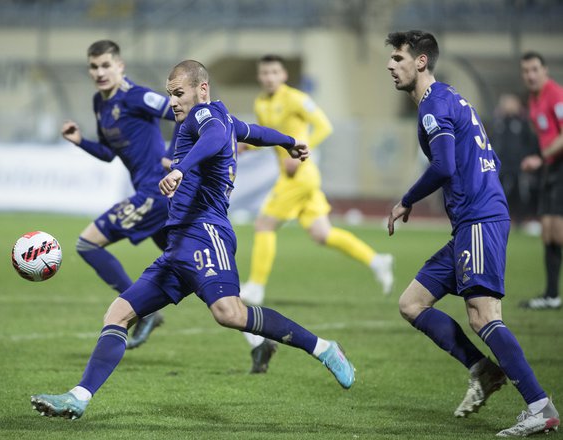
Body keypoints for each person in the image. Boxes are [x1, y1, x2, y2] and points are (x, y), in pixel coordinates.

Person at [31, 60, 356, 420]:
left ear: (202, 89)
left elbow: (216, 136)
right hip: (178, 243)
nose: (173, 101)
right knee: (119, 313)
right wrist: (290, 141)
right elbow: (254, 132)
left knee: (229, 313)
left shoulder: (204, 118)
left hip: (206, 233)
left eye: (179, 93)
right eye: (170, 94)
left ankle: (324, 348)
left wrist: (181, 168)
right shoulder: (225, 118)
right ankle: (79, 396)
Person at [385, 31, 559, 437]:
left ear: (422, 61)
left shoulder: (433, 106)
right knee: (412, 303)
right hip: (473, 221)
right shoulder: (452, 97)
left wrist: (406, 199)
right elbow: (491, 159)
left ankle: (540, 405)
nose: (391, 66)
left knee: (483, 317)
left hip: (478, 221)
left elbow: (444, 166)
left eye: (398, 58)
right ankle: (483, 370)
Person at [238, 55, 395, 374]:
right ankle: (377, 260)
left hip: (300, 175)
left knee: (264, 223)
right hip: (294, 178)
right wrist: (246, 146)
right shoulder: (261, 103)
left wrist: (300, 147)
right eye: (264, 72)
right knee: (322, 234)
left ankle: (255, 286)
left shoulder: (296, 99)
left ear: (283, 74)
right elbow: (267, 136)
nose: (269, 77)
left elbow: (324, 126)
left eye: (274, 71)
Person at [63, 40, 175, 348]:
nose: (99, 72)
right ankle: (255, 338)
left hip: (156, 192)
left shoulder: (136, 96)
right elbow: (109, 153)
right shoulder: (100, 103)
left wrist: (175, 155)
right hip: (153, 195)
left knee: (87, 244)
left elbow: (183, 112)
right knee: (190, 269)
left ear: (120, 66)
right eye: (94, 66)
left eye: (105, 65)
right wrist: (80, 141)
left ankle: (141, 310)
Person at [518, 51, 563, 310]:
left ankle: (552, 294)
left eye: (535, 69)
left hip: (559, 165)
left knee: (557, 231)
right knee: (548, 232)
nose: (530, 75)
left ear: (545, 70)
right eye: (525, 71)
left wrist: (540, 157)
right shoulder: (533, 101)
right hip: (551, 168)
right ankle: (551, 294)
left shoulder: (555, 94)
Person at [490, 94, 540, 226]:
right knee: (497, 191)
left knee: (519, 192)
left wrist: (526, 157)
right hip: (500, 164)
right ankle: (497, 217)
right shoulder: (498, 121)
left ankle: (519, 219)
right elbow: (492, 140)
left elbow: (530, 142)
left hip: (518, 165)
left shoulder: (522, 122)